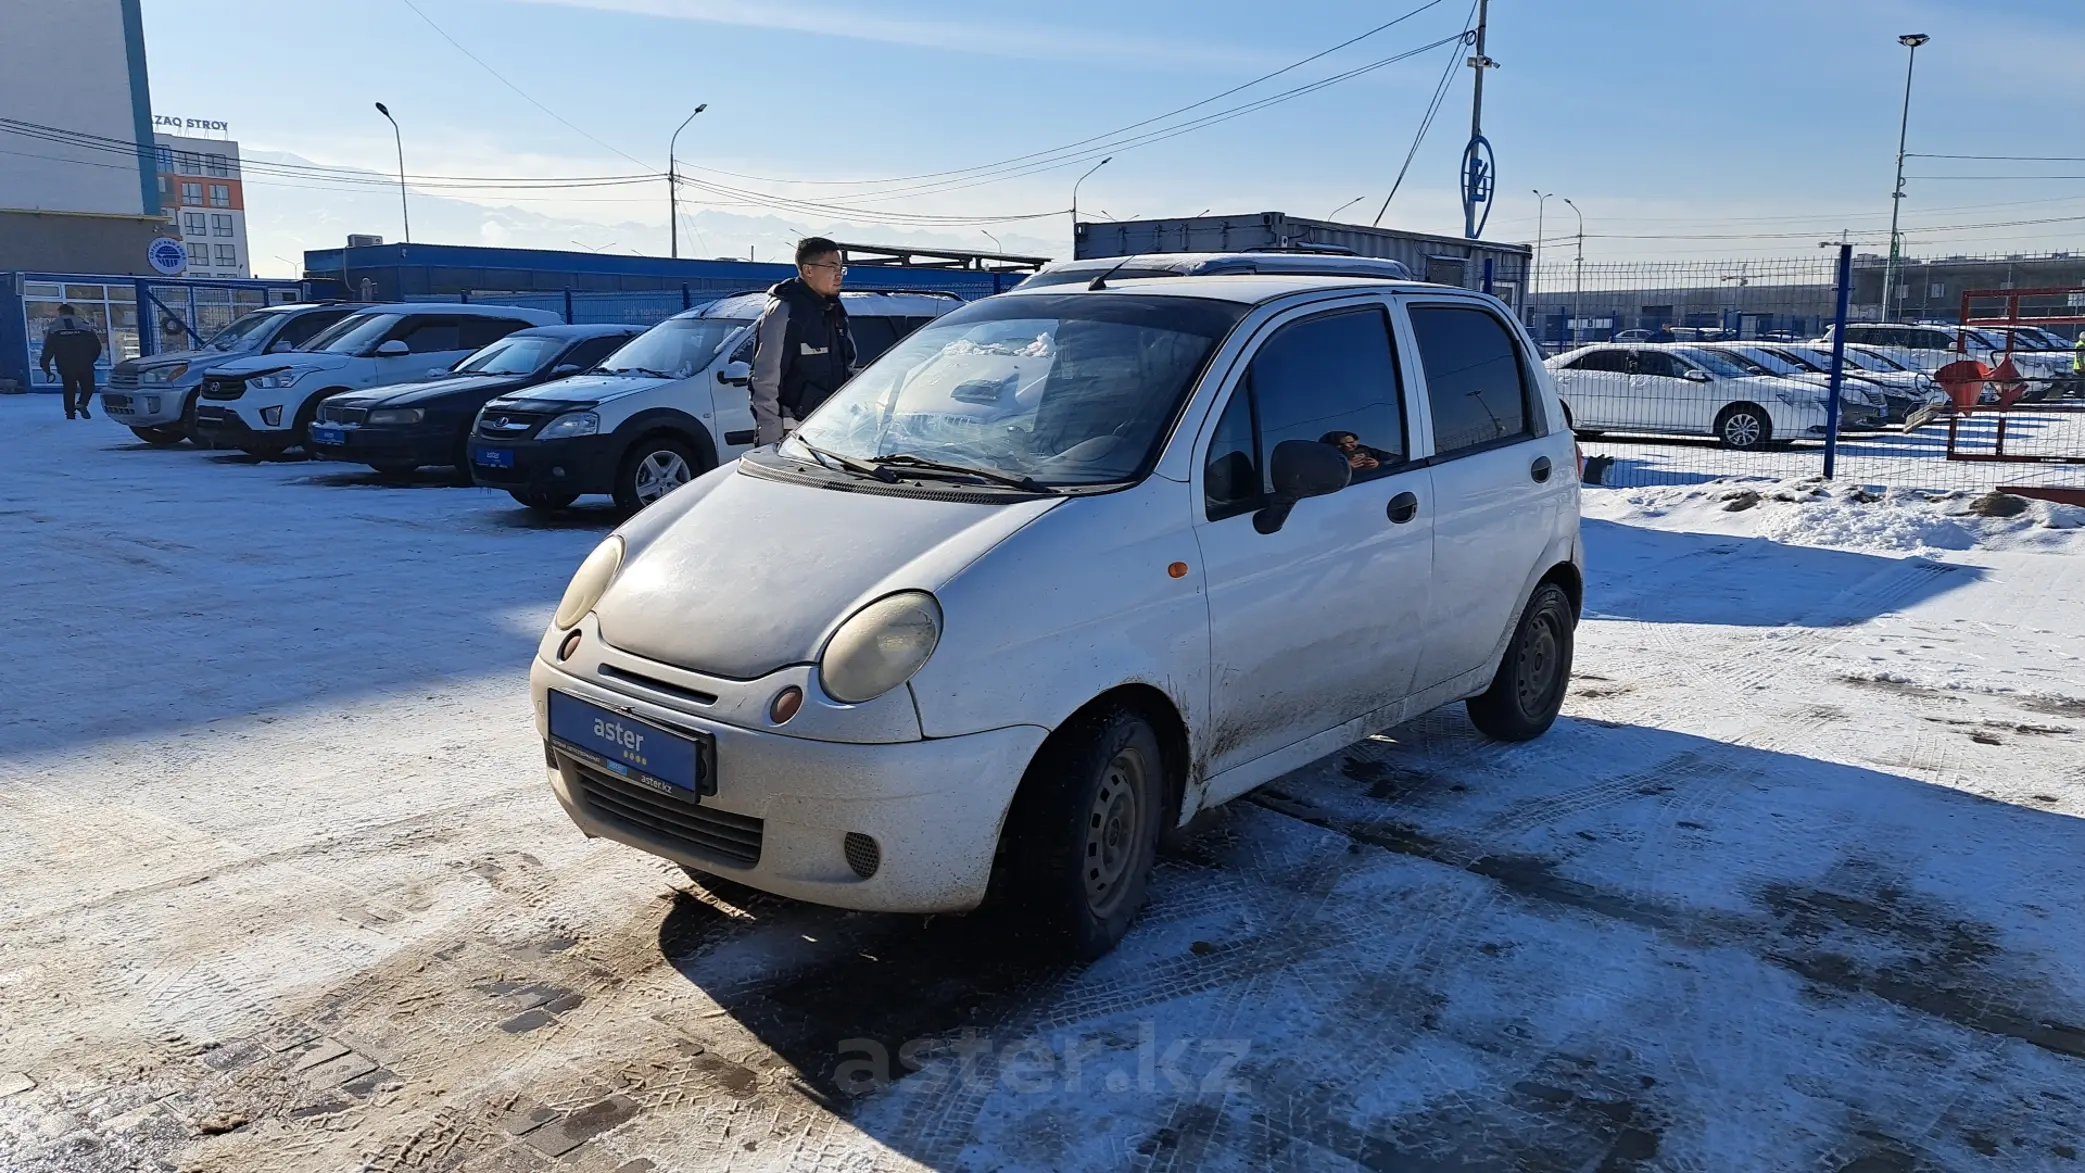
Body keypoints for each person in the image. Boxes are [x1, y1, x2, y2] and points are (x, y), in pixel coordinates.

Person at [749, 236, 856, 445]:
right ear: (808, 270)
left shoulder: (835, 311)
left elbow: (849, 367)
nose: (839, 275)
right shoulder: (786, 312)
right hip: (793, 439)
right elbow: (764, 382)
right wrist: (769, 445)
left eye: (841, 268)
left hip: (833, 433)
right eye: (832, 267)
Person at [40, 304, 103, 420]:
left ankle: (70, 414)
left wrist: (46, 366)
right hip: (84, 363)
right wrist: (91, 359)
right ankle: (82, 403)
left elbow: (48, 349)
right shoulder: (84, 326)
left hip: (65, 364)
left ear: (61, 313)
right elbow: (96, 346)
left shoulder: (54, 328)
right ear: (73, 313)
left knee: (69, 388)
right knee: (88, 386)